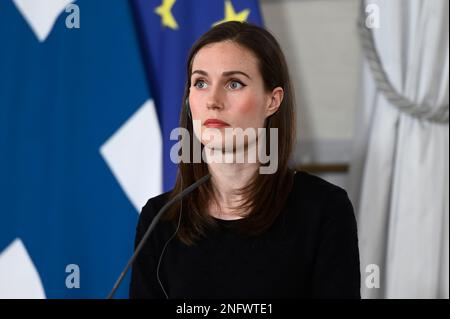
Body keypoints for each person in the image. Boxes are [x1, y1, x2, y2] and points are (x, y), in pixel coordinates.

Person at [130, 21, 360, 299]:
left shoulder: (324, 209)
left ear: (272, 101)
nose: (213, 101)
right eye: (200, 83)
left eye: (234, 83)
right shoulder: (160, 218)